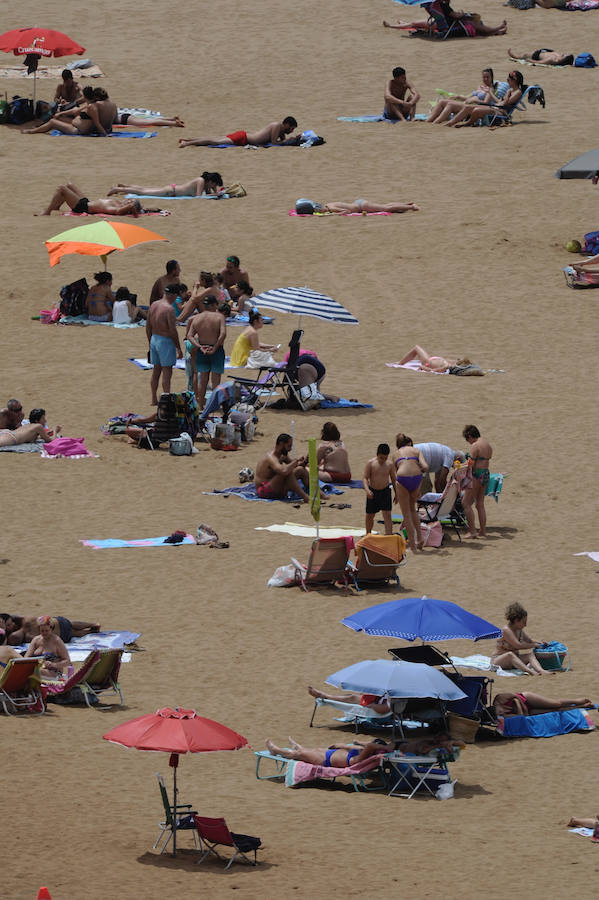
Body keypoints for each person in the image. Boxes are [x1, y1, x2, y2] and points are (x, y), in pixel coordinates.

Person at [186, 295, 227, 410]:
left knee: (202, 379)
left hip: (202, 350)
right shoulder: (219, 317)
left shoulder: (197, 318)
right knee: (216, 380)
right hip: (216, 350)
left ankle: (200, 405)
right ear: (214, 305)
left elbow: (189, 336)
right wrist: (215, 347)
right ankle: (214, 404)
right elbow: (223, 334)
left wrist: (199, 347)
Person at [146, 285, 183, 405]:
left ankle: (153, 398)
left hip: (154, 339)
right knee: (167, 372)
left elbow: (148, 326)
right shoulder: (169, 309)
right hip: (165, 341)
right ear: (173, 295)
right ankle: (166, 400)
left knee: (156, 370)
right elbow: (172, 330)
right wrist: (178, 347)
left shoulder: (154, 305)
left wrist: (149, 341)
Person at [445, 71, 524, 128]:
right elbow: (499, 102)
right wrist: (490, 93)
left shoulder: (517, 92)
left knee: (476, 110)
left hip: (501, 112)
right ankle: (451, 123)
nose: (507, 82)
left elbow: (505, 104)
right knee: (467, 107)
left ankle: (467, 123)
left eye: (508, 80)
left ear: (515, 80)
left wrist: (505, 94)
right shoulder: (510, 90)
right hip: (495, 108)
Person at [392, 434, 429, 551]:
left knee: (406, 513)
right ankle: (420, 539)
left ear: (398, 445)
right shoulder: (416, 450)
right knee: (413, 509)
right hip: (417, 477)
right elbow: (426, 467)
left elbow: (394, 476)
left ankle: (412, 545)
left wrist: (396, 493)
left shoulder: (395, 454)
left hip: (402, 478)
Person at [385, 3, 507, 36]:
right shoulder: (444, 6)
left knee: (414, 23)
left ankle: (498, 31)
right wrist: (463, 14)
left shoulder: (436, 4)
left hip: (436, 22)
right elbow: (455, 16)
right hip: (440, 25)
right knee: (413, 23)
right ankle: (391, 26)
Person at [427, 68, 501, 123]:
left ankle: (436, 122)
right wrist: (458, 97)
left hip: (472, 107)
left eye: (487, 77)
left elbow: (486, 103)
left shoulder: (490, 89)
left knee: (450, 105)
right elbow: (468, 98)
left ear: (492, 77)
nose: (485, 79)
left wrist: (475, 100)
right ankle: (428, 120)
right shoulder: (480, 87)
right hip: (466, 103)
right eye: (484, 77)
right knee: (442, 101)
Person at [22, 87, 106, 135]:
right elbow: (74, 111)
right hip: (77, 125)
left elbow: (97, 123)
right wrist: (60, 113)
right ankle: (40, 127)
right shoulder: (90, 105)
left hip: (77, 130)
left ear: (85, 96)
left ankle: (32, 131)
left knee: (52, 122)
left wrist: (105, 135)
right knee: (59, 117)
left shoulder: (91, 107)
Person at [491, 602, 546, 675]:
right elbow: (518, 645)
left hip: (514, 660)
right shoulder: (506, 630)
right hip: (498, 661)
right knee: (510, 654)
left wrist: (541, 643)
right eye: (524, 622)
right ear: (516, 621)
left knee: (530, 655)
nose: (525, 625)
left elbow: (530, 640)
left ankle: (541, 671)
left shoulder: (519, 630)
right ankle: (530, 672)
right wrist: (534, 645)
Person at [254, 433, 309, 501]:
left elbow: (294, 465)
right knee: (288, 473)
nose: (290, 449)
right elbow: (284, 471)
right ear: (281, 444)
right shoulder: (271, 457)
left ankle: (317, 493)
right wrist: (296, 460)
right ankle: (305, 497)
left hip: (275, 486)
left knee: (301, 470)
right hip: (264, 490)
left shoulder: (282, 455)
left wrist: (305, 462)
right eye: (289, 446)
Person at [178, 116, 298, 148]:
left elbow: (282, 142)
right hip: (243, 138)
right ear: (287, 124)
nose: (291, 131)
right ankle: (186, 143)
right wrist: (290, 141)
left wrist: (292, 140)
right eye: (292, 128)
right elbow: (274, 143)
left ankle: (188, 140)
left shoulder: (281, 130)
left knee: (216, 139)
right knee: (214, 141)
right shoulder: (277, 126)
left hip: (244, 137)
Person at [35, 183, 143, 217]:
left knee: (62, 188)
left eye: (131, 201)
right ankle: (56, 206)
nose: (129, 200)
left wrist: (134, 212)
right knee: (69, 185)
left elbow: (129, 209)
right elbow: (136, 208)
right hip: (87, 202)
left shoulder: (117, 208)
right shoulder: (119, 203)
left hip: (83, 208)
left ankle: (47, 212)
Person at [462, 424, 493, 538]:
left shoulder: (476, 445)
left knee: (466, 503)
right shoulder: (487, 444)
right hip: (485, 474)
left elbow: (471, 463)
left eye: (467, 439)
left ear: (470, 436)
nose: (468, 442)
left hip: (477, 475)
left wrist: (461, 466)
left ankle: (472, 531)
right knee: (480, 504)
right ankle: (483, 531)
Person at [363, 442, 398, 535]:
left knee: (387, 515)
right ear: (377, 455)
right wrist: (367, 490)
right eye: (381, 458)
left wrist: (397, 494)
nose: (383, 460)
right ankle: (368, 534)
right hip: (373, 491)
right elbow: (365, 478)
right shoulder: (371, 463)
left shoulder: (390, 465)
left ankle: (389, 535)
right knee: (370, 515)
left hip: (385, 491)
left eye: (385, 458)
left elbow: (394, 480)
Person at [0, 614, 100, 645]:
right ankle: (92, 627)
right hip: (58, 625)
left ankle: (90, 630)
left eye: (11, 622)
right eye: (9, 625)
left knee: (72, 630)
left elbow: (13, 638)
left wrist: (4, 630)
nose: (12, 625)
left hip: (59, 632)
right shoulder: (24, 620)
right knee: (71, 626)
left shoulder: (22, 630)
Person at [108, 171, 224, 198]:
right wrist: (215, 194)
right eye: (214, 185)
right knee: (143, 192)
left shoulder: (204, 183)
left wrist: (215, 192)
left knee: (146, 189)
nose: (214, 187)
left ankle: (124, 187)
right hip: (171, 191)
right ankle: (116, 189)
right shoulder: (201, 181)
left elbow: (208, 193)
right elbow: (199, 197)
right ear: (211, 181)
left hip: (172, 189)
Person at [493, 691, 593, 717]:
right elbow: (520, 716)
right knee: (553, 711)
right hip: (529, 711)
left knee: (556, 704)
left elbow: (515, 696)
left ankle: (576, 701)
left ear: (496, 706)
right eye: (500, 714)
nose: (502, 713)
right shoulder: (503, 716)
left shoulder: (499, 698)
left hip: (526, 698)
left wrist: (521, 707)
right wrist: (523, 712)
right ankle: (581, 706)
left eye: (500, 711)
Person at [308, 685, 390, 714]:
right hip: (378, 699)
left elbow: (385, 709)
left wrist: (372, 705)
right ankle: (325, 696)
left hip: (377, 706)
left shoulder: (395, 696)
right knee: (356, 695)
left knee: (352, 698)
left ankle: (324, 696)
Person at [297, 198, 419, 215]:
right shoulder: (328, 204)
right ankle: (404, 205)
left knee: (386, 208)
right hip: (359, 204)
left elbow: (345, 211)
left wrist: (337, 214)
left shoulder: (331, 208)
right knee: (385, 206)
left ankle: (411, 207)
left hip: (362, 206)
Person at [397, 345, 464, 372]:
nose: (458, 360)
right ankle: (401, 362)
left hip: (427, 362)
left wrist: (423, 368)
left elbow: (434, 370)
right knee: (417, 349)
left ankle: (400, 363)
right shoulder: (452, 363)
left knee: (416, 348)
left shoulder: (446, 366)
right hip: (432, 359)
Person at [508, 48, 574, 66]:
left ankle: (515, 56)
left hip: (537, 55)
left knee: (525, 55)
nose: (564, 54)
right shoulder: (559, 56)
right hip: (545, 51)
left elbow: (540, 62)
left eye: (565, 55)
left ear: (564, 59)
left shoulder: (553, 60)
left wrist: (530, 61)